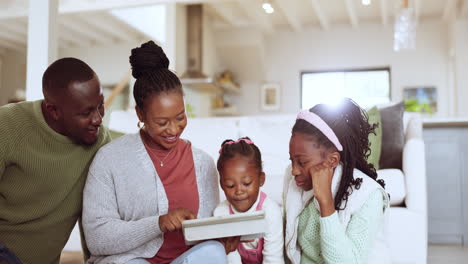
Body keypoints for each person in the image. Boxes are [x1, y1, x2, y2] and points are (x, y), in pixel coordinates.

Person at [82, 40, 236, 264]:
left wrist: (222, 238)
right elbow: (97, 239)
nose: (174, 130)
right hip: (131, 261)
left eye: (180, 117)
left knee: (213, 252)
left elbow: (204, 232)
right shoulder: (110, 160)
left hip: (184, 259)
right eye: (162, 122)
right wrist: (158, 223)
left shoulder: (203, 163)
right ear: (140, 114)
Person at [0, 57, 111, 264]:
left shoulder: (99, 140)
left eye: (100, 106)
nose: (97, 119)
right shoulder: (7, 126)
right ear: (54, 111)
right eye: (86, 112)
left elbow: (95, 216)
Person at [283, 98, 390, 264]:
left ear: (332, 161)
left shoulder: (368, 197)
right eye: (291, 160)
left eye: (302, 162)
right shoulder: (294, 181)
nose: (294, 170)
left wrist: (326, 203)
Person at [214, 137, 284, 264]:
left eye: (246, 183)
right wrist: (228, 251)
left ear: (261, 179)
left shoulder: (271, 212)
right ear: (222, 184)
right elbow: (230, 259)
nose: (239, 191)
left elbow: (273, 259)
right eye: (230, 185)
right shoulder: (221, 214)